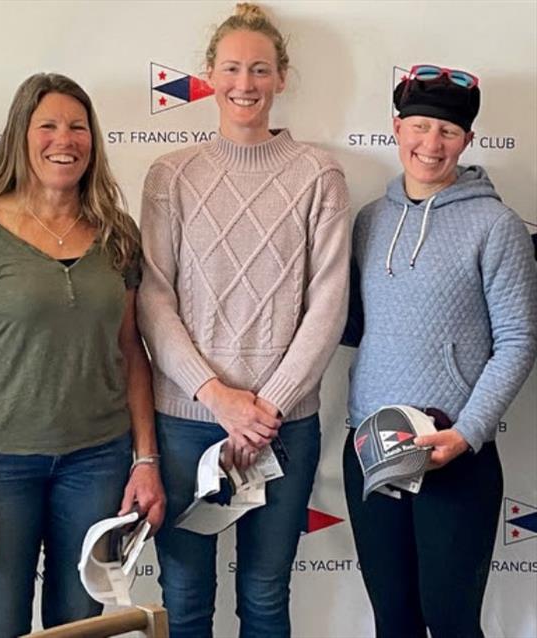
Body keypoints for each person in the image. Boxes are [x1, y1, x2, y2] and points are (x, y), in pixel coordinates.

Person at [137, 4, 351, 637]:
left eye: (260, 69)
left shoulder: (320, 175)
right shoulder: (170, 175)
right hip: (183, 425)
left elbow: (329, 303)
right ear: (208, 75)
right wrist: (218, 397)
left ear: (282, 77)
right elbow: (153, 298)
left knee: (263, 594)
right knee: (184, 596)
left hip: (283, 427)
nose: (245, 83)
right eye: (231, 68)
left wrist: (266, 409)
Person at [0, 72, 165, 638]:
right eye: (49, 126)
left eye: (78, 126)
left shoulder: (117, 234)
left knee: (80, 625)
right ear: (21, 137)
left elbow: (132, 352)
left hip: (97, 461)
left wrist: (146, 459)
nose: (66, 139)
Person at [342, 65, 537, 638]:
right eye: (420, 127)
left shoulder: (496, 225)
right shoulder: (370, 221)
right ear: (396, 129)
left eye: (448, 132)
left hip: (456, 452)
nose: (431, 144)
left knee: (451, 622)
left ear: (468, 141)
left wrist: (467, 432)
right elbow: (358, 327)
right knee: (393, 621)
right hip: (373, 450)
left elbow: (519, 340)